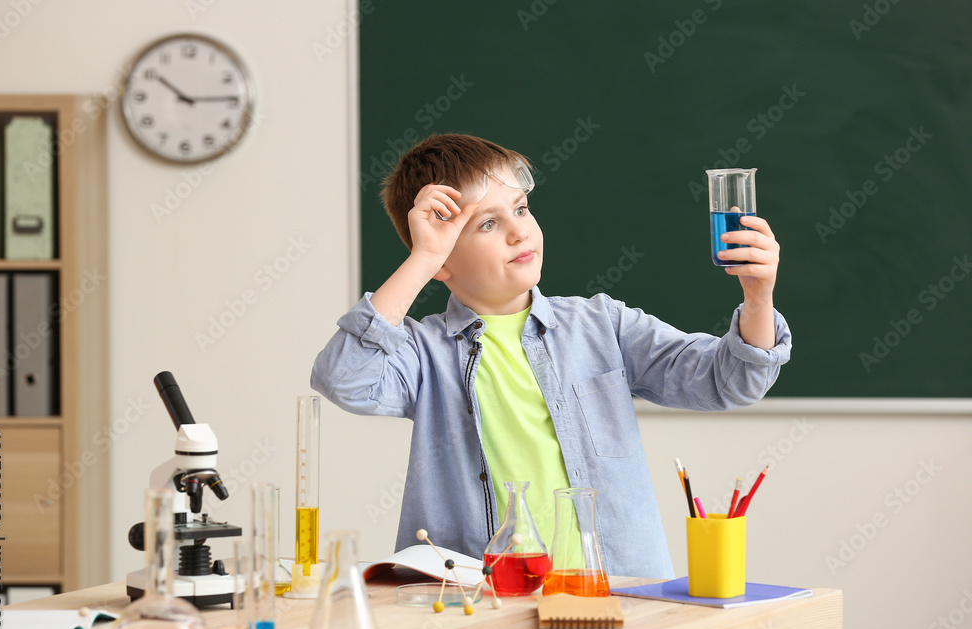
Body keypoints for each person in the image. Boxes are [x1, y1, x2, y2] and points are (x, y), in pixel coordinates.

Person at [311, 134, 790, 578]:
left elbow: (728, 382)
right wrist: (422, 259)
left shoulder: (603, 324)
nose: (519, 233)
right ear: (444, 262)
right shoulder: (424, 353)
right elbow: (345, 379)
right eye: (488, 223)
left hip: (615, 595)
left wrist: (758, 297)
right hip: (485, 607)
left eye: (520, 209)